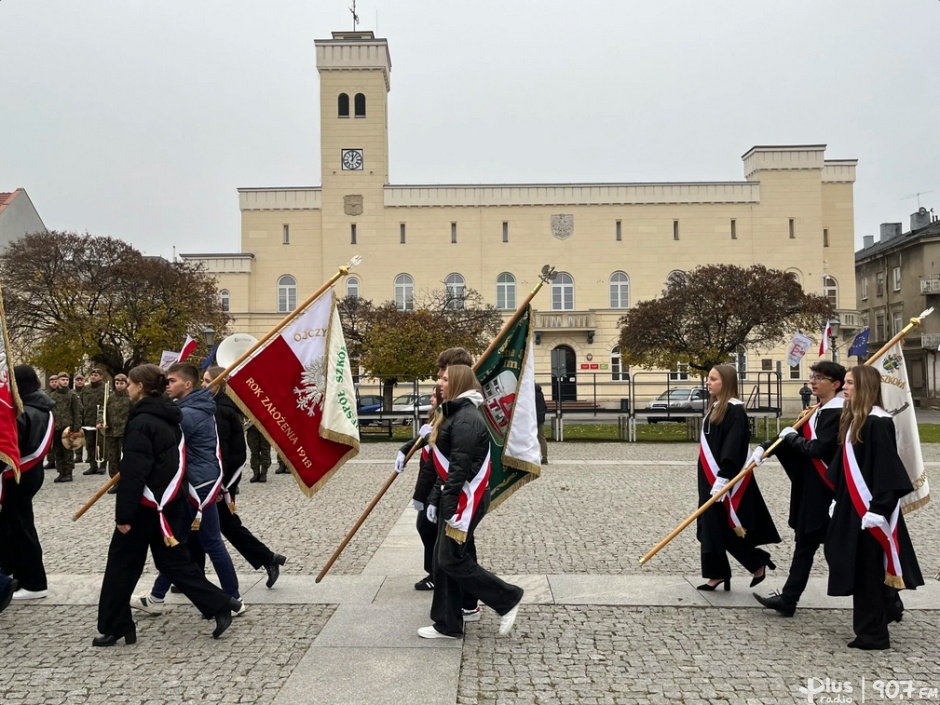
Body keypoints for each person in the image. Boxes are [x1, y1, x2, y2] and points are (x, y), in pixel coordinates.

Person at [94, 364, 240, 646]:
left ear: (140, 387)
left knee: (121, 567)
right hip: (167, 504)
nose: (129, 388)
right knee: (174, 562)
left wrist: (124, 514)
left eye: (132, 384)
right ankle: (220, 604)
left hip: (145, 506)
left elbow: (135, 472)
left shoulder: (143, 421)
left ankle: (116, 625)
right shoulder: (170, 415)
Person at [418, 364, 524, 639]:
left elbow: (459, 469)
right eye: (440, 378)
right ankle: (448, 624)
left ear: (459, 383)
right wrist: (433, 499)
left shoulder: (465, 419)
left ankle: (507, 597)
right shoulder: (455, 413)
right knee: (443, 562)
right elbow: (445, 464)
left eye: (444, 379)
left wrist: (449, 505)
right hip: (455, 497)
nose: (439, 383)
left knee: (450, 559)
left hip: (465, 500)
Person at [824, 365, 924, 650]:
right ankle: (886, 610)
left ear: (865, 387)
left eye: (850, 383)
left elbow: (885, 471)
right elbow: (844, 469)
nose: (845, 387)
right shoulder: (855, 420)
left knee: (867, 573)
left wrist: (878, 510)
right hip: (852, 507)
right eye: (844, 382)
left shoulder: (878, 422)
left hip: (871, 512)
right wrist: (838, 499)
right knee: (857, 568)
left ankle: (873, 635)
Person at [131, 363, 240, 616]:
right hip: (200, 480)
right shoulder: (191, 407)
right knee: (184, 541)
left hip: (197, 484)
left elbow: (163, 439)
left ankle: (232, 598)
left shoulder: (188, 414)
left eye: (171, 381)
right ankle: (159, 596)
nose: (167, 386)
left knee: (194, 541)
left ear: (186, 385)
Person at [750, 361, 844, 617]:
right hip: (810, 490)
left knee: (840, 551)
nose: (813, 381)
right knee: (805, 544)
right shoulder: (817, 410)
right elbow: (791, 432)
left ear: (835, 384)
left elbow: (818, 449)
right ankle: (789, 599)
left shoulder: (838, 413)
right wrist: (766, 446)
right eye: (813, 376)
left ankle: (889, 599)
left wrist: (790, 438)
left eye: (820, 377)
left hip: (828, 491)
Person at [190, 367, 287, 588]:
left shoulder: (219, 411)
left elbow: (220, 453)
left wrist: (219, 486)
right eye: (203, 381)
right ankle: (192, 575)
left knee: (219, 525)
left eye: (207, 381)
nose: (203, 385)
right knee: (202, 526)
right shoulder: (218, 407)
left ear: (220, 385)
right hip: (216, 481)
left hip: (218, 483)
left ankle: (268, 559)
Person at [696, 364, 780, 591]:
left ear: (727, 382)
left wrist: (723, 477)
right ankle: (754, 563)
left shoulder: (734, 410)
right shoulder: (715, 407)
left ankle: (720, 574)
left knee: (715, 526)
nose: (708, 382)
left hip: (725, 478)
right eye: (708, 379)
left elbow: (733, 447)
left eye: (713, 379)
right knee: (711, 527)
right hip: (709, 476)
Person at [0, 365, 55, 601]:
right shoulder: (42, 405)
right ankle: (14, 573)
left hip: (18, 474)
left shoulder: (26, 412)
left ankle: (34, 582)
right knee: (13, 526)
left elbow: (13, 445)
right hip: (28, 473)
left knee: (20, 527)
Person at [411, 384, 443, 592]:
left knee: (428, 528)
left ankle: (435, 574)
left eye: (434, 395)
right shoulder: (434, 418)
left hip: (436, 486)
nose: (430, 399)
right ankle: (433, 570)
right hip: (427, 482)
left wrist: (429, 496)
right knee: (424, 527)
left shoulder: (444, 420)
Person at [97, 373, 132, 495]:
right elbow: (102, 410)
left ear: (126, 384)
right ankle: (115, 482)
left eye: (122, 383)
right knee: (112, 459)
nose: (119, 386)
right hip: (111, 432)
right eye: (117, 383)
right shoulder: (110, 397)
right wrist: (100, 421)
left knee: (125, 459)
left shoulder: (130, 398)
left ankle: (126, 482)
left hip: (125, 433)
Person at [50, 372, 82, 483]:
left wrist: (76, 428)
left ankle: (68, 473)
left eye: (66, 380)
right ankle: (61, 472)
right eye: (62, 380)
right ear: (58, 380)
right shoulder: (52, 396)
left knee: (67, 451)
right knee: (57, 451)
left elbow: (77, 412)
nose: (65, 382)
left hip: (68, 428)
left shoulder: (72, 395)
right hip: (56, 427)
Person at [80, 369, 106, 474]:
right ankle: (92, 465)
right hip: (88, 421)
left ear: (101, 377)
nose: (93, 377)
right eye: (92, 375)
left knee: (102, 444)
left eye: (96, 375)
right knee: (90, 444)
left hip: (100, 422)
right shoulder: (85, 389)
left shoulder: (105, 388)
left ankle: (103, 465)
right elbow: (81, 404)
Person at [44, 376, 59, 470]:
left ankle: (58, 460)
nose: (54, 383)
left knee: (58, 443)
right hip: (49, 420)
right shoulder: (45, 394)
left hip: (60, 421)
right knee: (49, 442)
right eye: (52, 382)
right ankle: (51, 460)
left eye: (55, 381)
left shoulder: (61, 393)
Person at [72, 373, 87, 464]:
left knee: (89, 438)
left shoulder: (87, 391)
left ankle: (90, 456)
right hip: (77, 416)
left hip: (87, 416)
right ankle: (78, 456)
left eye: (81, 380)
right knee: (77, 436)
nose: (79, 382)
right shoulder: (72, 392)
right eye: (77, 380)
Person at [535, 383, 548, 464]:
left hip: (533, 419)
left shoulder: (531, 394)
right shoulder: (540, 393)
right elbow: (544, 406)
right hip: (541, 418)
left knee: (529, 438)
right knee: (542, 438)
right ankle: (545, 457)